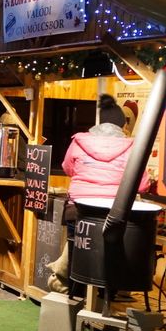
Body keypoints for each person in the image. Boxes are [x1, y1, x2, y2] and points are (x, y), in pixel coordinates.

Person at [53, 94, 150, 293]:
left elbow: (67, 168)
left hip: (79, 208)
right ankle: (107, 295)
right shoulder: (132, 147)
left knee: (77, 249)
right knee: (112, 254)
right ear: (123, 125)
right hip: (115, 212)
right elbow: (142, 185)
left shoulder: (79, 142)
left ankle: (74, 291)